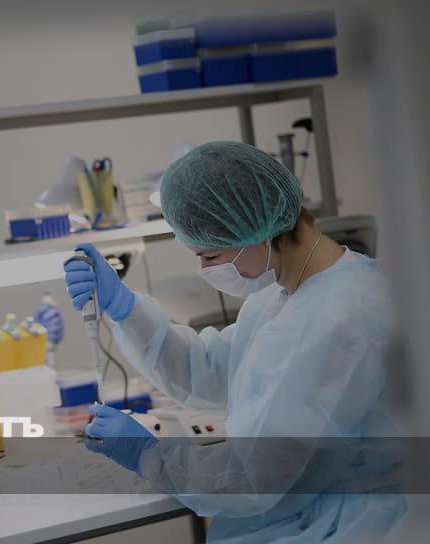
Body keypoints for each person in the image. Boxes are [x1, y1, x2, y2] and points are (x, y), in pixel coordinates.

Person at [64, 142, 405, 543]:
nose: (204, 269)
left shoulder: (341, 317)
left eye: (210, 256)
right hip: (306, 514)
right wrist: (125, 308)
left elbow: (257, 477)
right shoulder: (282, 291)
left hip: (357, 526)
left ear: (258, 231)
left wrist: (150, 456)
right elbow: (211, 369)